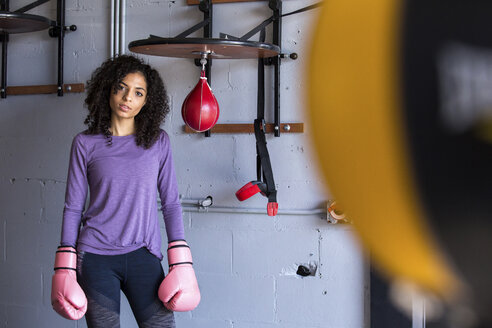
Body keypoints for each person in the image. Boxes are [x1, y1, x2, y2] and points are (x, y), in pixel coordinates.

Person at [50, 55, 200, 328]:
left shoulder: (158, 143)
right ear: (108, 88)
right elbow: (73, 207)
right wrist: (64, 266)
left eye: (138, 92)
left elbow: (170, 204)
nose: (127, 97)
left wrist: (181, 262)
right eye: (121, 87)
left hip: (143, 254)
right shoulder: (85, 143)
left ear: (146, 102)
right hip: (95, 258)